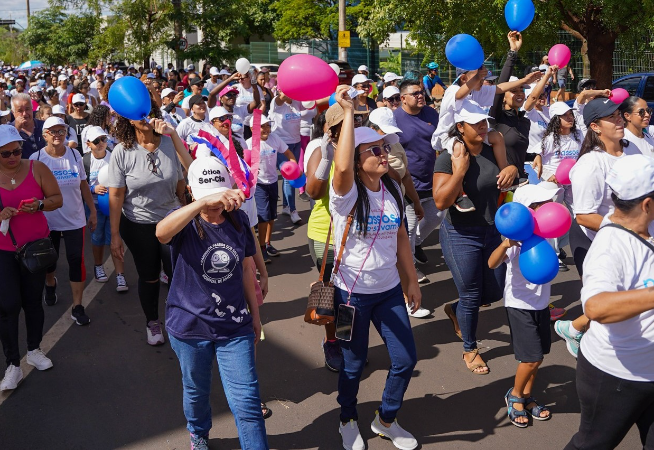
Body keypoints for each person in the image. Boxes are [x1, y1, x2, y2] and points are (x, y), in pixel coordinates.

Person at [155, 156, 268, 450]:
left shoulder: (239, 219)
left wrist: (254, 315)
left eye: (219, 194)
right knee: (196, 391)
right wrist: (199, 203)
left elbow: (246, 268)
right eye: (206, 196)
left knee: (247, 402)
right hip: (189, 327)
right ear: (192, 191)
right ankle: (198, 432)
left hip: (234, 327)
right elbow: (161, 232)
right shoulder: (183, 221)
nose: (214, 204)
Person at [330, 85, 420, 450]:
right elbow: (340, 166)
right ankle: (347, 418)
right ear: (356, 157)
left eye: (385, 148)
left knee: (405, 359)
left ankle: (385, 418)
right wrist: (350, 112)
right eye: (376, 150)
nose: (385, 154)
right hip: (350, 296)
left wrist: (411, 281)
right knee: (353, 365)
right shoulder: (347, 194)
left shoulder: (392, 189)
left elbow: (400, 236)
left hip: (387, 293)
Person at [564, 154, 654, 450]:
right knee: (591, 445)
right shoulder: (610, 247)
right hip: (617, 377)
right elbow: (596, 308)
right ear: (647, 205)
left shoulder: (646, 226)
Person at [556, 97, 640, 358]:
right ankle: (586, 340)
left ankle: (577, 328)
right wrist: (627, 231)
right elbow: (584, 216)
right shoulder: (591, 164)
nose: (619, 119)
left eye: (619, 114)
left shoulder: (634, 151)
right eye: (611, 117)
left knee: (630, 302)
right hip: (595, 242)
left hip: (632, 240)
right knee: (613, 304)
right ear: (595, 127)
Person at [433, 101, 506, 375]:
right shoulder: (447, 157)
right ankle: (470, 348)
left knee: (495, 291)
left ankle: (455, 308)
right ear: (460, 127)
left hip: (492, 232)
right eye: (475, 123)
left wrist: (509, 170)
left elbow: (505, 176)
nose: (482, 126)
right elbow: (440, 202)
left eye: (484, 121)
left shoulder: (492, 151)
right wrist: (460, 170)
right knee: (472, 294)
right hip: (460, 234)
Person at [107, 103, 187, 346]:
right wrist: (114, 235)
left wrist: (185, 210)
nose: (145, 117)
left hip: (172, 220)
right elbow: (116, 195)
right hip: (139, 225)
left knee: (178, 274)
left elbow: (182, 180)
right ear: (129, 120)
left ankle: (180, 320)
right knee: (149, 276)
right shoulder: (122, 151)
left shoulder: (169, 142)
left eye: (149, 112)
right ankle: (152, 322)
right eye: (138, 114)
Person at [0, 125, 63, 391]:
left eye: (17, 150)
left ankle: (34, 349)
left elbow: (57, 199)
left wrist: (39, 205)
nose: (13, 157)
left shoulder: (37, 169)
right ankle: (13, 364)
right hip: (3, 251)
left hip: (35, 249)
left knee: (32, 302)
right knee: (8, 305)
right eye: (6, 154)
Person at [489, 184, 557, 427]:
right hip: (519, 304)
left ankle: (527, 396)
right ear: (528, 211)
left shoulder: (548, 233)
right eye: (542, 204)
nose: (549, 207)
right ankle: (515, 396)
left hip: (540, 304)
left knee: (538, 358)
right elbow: (491, 263)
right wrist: (506, 244)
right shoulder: (516, 240)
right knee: (530, 358)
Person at [29, 117, 97, 326]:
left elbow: (83, 185)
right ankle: (51, 283)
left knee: (76, 260)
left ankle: (77, 306)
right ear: (45, 135)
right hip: (48, 221)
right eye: (53, 131)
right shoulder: (36, 158)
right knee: (50, 260)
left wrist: (92, 211)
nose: (57, 134)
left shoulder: (75, 154)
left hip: (75, 219)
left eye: (61, 130)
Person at [394, 79, 442, 283]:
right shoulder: (395, 118)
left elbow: (440, 140)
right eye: (415, 93)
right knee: (410, 225)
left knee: (436, 216)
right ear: (403, 98)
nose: (421, 95)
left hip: (431, 177)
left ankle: (416, 245)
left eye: (422, 92)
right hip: (407, 181)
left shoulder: (431, 113)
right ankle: (410, 267)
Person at [532, 101, 583, 275]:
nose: (570, 118)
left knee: (578, 214)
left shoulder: (579, 135)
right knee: (551, 219)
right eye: (565, 115)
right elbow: (536, 161)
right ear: (556, 119)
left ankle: (570, 246)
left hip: (574, 182)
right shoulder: (549, 139)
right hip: (552, 184)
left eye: (571, 114)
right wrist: (548, 176)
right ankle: (553, 256)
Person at [489, 32, 543, 181]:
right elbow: (500, 86)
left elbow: (517, 155)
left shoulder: (524, 121)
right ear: (504, 96)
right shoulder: (496, 117)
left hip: (521, 182)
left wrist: (535, 156)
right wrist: (513, 53)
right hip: (501, 185)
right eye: (513, 90)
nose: (519, 93)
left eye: (522, 90)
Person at [246, 114, 297, 260]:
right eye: (262, 126)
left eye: (267, 125)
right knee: (263, 217)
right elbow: (244, 163)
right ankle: (261, 248)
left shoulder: (275, 139)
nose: (266, 129)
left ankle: (268, 243)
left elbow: (288, 153)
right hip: (259, 184)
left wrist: (293, 164)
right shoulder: (249, 144)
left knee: (272, 216)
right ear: (252, 128)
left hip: (273, 181)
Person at [83, 126, 128, 292]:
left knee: (115, 238)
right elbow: (80, 185)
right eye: (96, 141)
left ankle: (120, 275)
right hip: (94, 206)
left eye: (103, 139)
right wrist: (92, 189)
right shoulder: (84, 161)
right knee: (97, 237)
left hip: (114, 205)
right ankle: (98, 265)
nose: (101, 143)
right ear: (88, 144)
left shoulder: (113, 156)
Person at [270, 90, 303, 224]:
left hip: (296, 142)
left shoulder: (297, 102)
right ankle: (293, 210)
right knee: (290, 176)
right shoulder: (276, 103)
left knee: (288, 178)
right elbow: (281, 97)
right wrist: (287, 88)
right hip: (281, 144)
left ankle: (285, 206)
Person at [11, 93, 46, 159]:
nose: (24, 114)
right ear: (13, 112)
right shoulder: (7, 130)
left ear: (32, 109)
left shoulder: (44, 125)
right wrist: (17, 130)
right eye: (20, 111)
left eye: (27, 109)